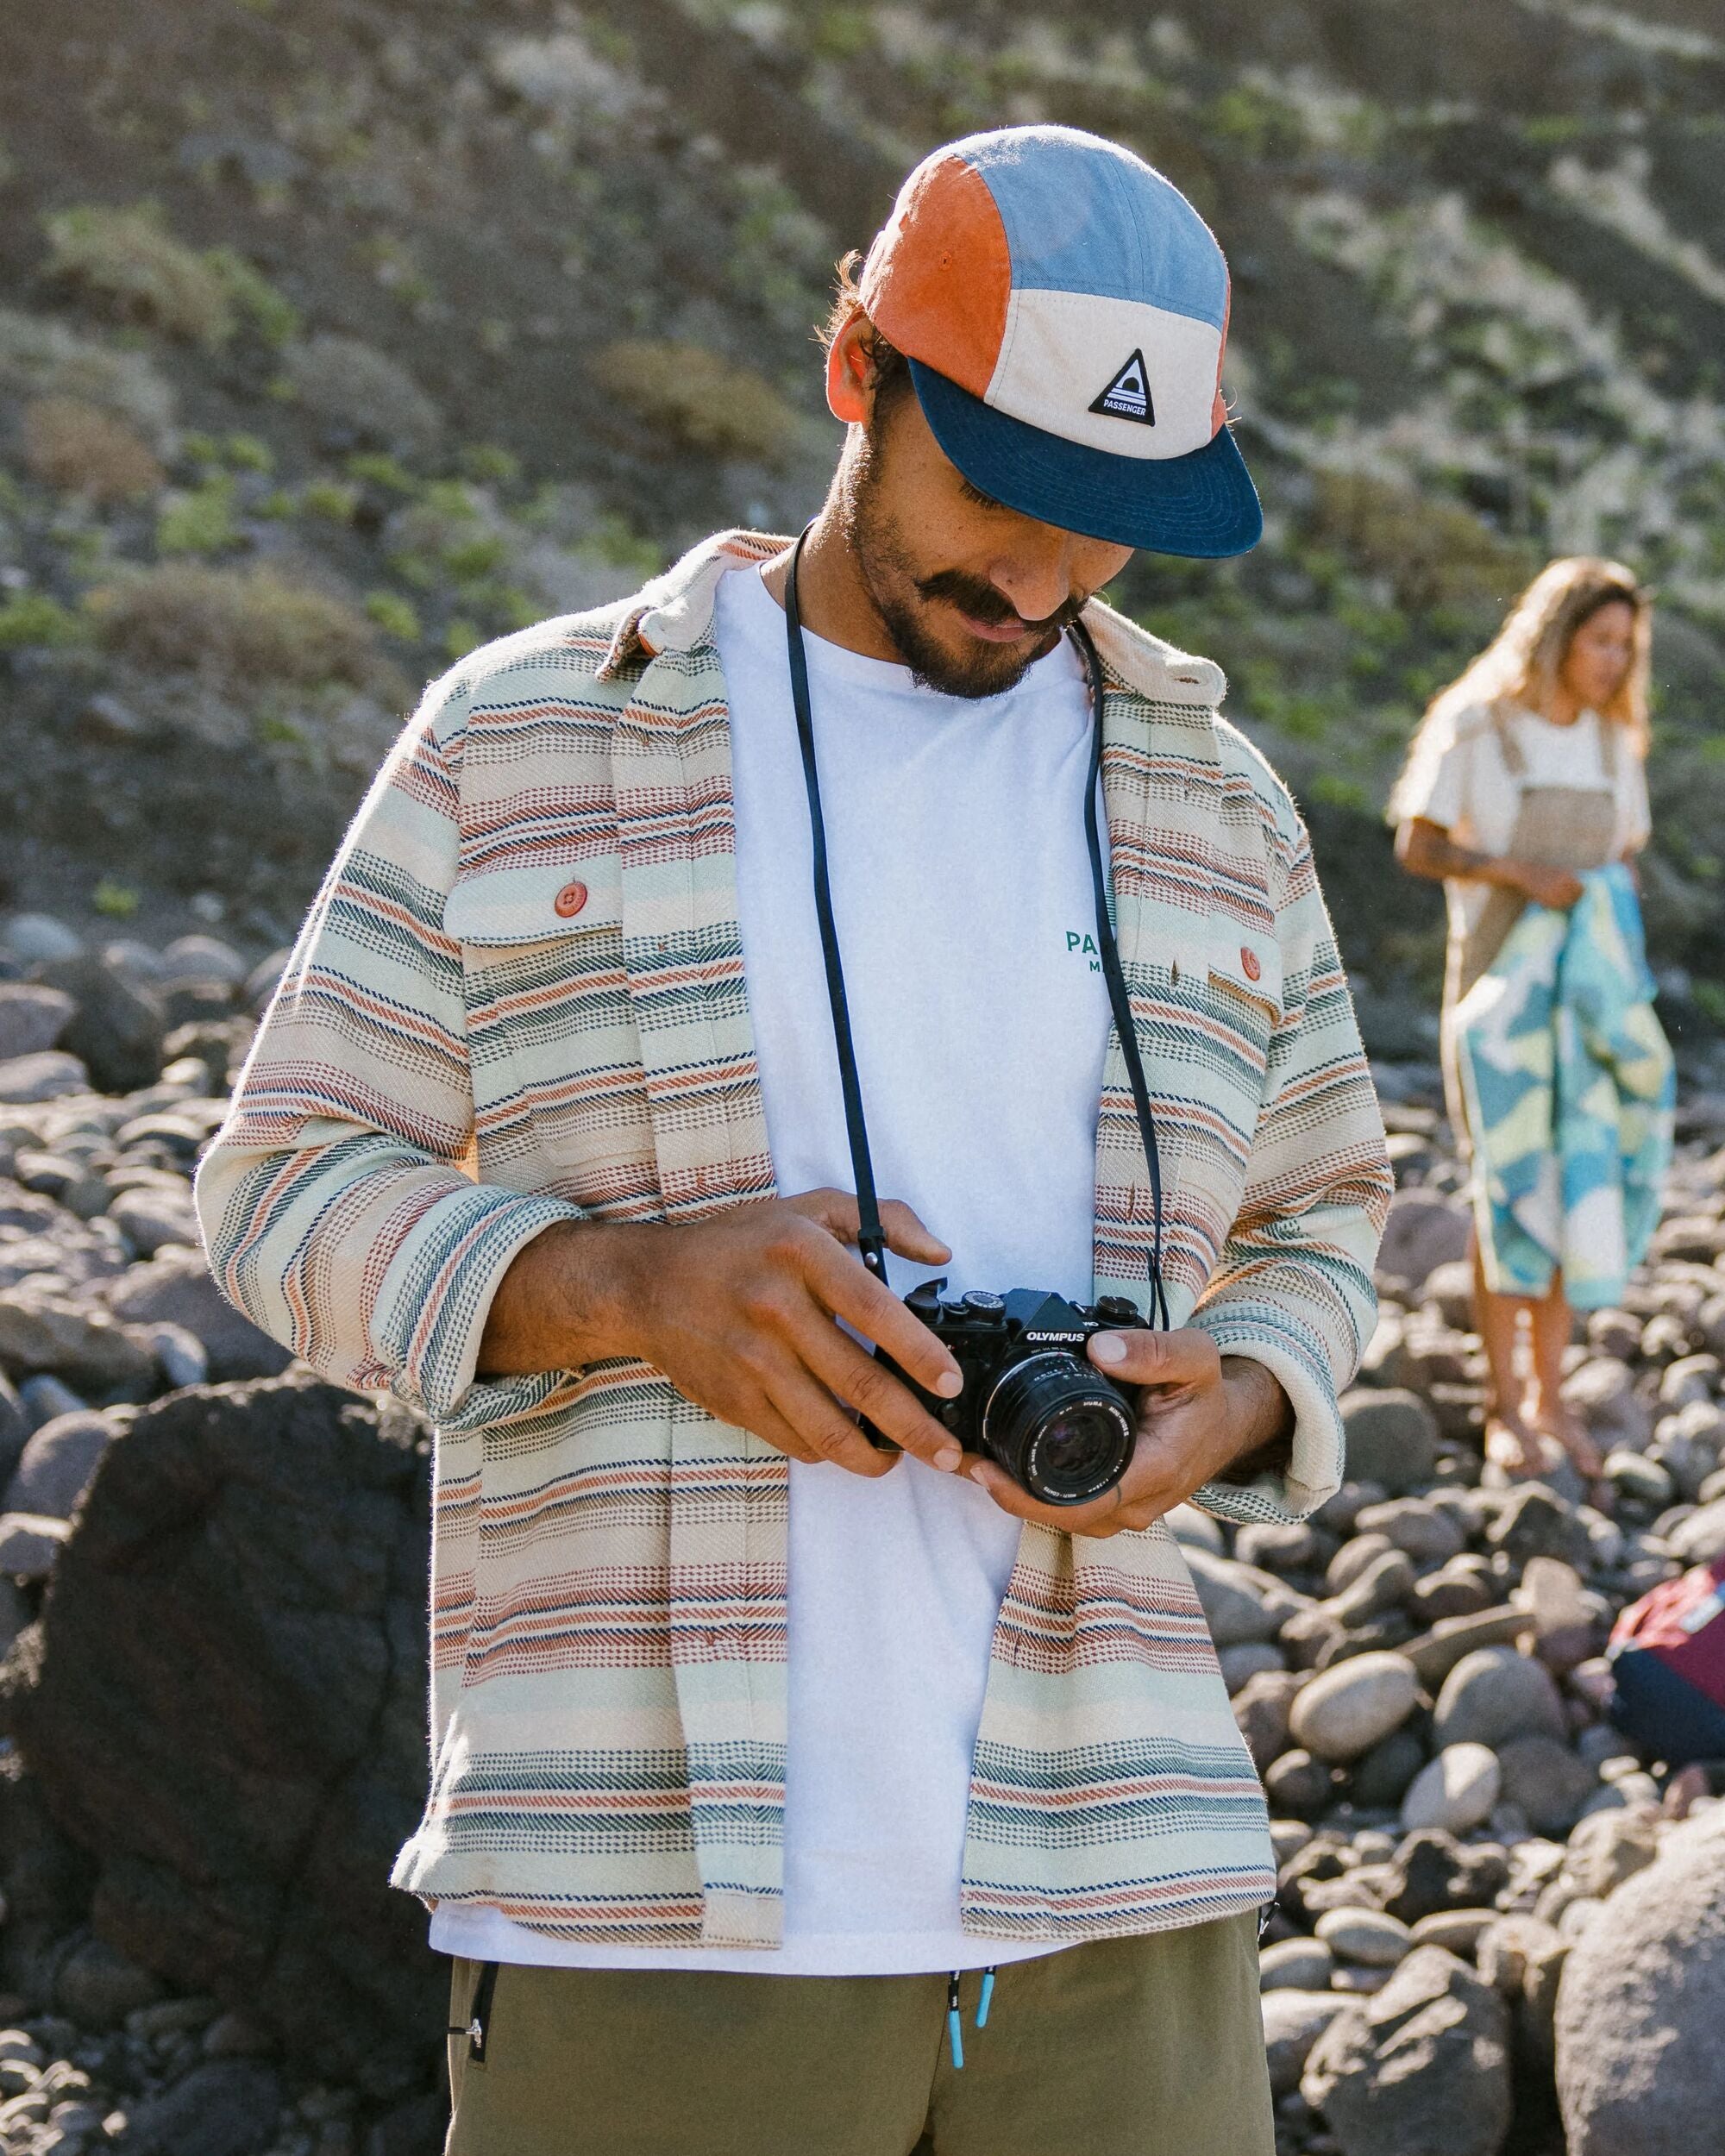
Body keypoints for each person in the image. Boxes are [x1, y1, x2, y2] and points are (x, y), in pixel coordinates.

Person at [198, 126, 1390, 2156]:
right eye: (997, 490)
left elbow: (1326, 1208)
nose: (1036, 569)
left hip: (1119, 1891)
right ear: (858, 365)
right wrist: (621, 1294)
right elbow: (278, 1189)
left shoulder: (1220, 802)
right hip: (647, 1914)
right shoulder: (520, 736)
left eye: (1105, 524)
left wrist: (1252, 1394)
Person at [1390, 558, 1654, 1484]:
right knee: (1503, 1186)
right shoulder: (1474, 724)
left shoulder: (1610, 743)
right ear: (1554, 635)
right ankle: (1504, 1407)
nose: (1615, 662)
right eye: (1599, 641)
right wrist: (1513, 871)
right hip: (1492, 996)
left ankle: (1549, 1397)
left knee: (1574, 1176)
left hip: (1581, 1002)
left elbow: (1620, 857)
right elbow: (1415, 843)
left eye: (1627, 645)